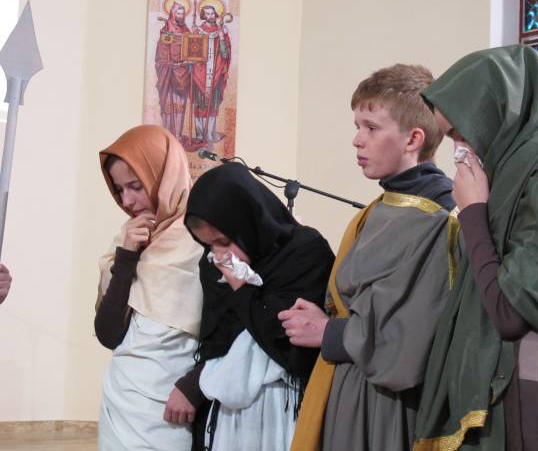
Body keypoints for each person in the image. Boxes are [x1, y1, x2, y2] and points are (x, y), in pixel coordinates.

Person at [414, 44, 538, 450]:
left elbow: (509, 313)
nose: (459, 149)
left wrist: (473, 212)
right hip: (502, 380)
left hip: (531, 381)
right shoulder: (511, 172)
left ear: (497, 114)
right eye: (451, 136)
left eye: (461, 132)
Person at [279, 64, 457, 451]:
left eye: (372, 128)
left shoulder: (439, 220)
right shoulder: (380, 207)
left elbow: (409, 342)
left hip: (387, 405)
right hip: (349, 387)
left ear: (413, 139)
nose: (357, 140)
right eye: (357, 126)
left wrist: (328, 332)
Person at [179, 162, 334, 450]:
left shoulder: (305, 252)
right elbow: (217, 341)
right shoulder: (214, 264)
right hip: (226, 415)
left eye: (224, 241)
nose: (219, 255)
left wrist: (243, 289)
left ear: (248, 222)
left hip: (284, 407)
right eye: (208, 245)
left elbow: (290, 346)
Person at [95, 124, 203, 450]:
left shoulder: (205, 239)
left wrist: (194, 386)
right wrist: (127, 256)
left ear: (163, 176)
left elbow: (229, 330)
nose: (127, 201)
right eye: (119, 190)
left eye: (135, 186)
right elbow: (108, 334)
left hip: (173, 407)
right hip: (120, 403)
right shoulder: (126, 241)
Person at [192, 4, 232, 143]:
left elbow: (225, 54)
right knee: (199, 103)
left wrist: (221, 38)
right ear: (204, 15)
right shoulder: (198, 31)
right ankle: (199, 134)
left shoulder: (222, 32)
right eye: (207, 13)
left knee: (213, 104)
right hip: (199, 73)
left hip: (216, 72)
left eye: (212, 13)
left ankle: (209, 133)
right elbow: (191, 52)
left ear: (216, 14)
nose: (210, 16)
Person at [155, 2, 191, 139]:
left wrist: (191, 60)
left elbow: (193, 49)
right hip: (169, 75)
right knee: (169, 106)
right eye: (178, 13)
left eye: (182, 14)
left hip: (183, 74)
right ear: (172, 14)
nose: (180, 16)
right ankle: (167, 136)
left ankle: (177, 135)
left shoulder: (187, 32)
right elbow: (161, 56)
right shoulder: (166, 33)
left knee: (180, 106)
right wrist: (171, 64)